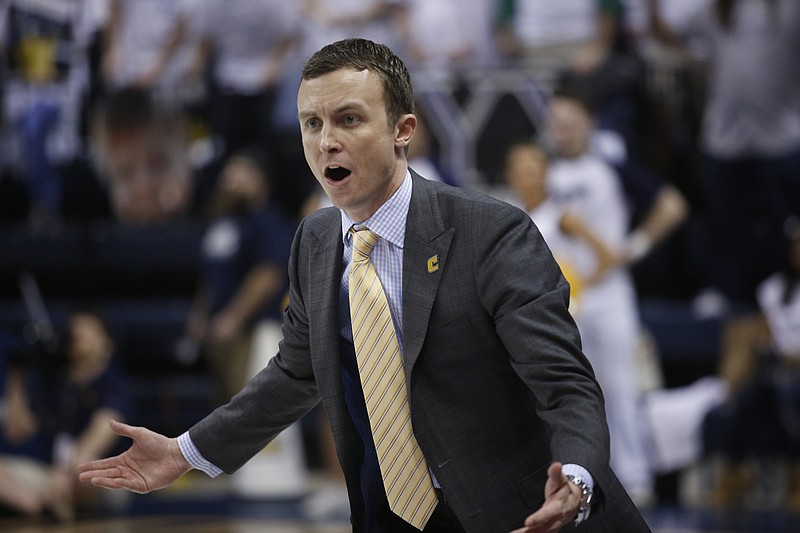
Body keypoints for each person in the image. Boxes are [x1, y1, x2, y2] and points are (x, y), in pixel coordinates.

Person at [78, 38, 651, 533]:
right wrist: (185, 452)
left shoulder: (490, 231)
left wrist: (576, 478)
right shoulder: (316, 242)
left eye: (348, 119)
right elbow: (294, 375)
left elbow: (566, 385)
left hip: (527, 514)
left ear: (403, 131)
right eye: (312, 123)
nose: (326, 141)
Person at [545, 89, 655, 505]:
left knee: (621, 385)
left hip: (609, 294)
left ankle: (636, 478)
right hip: (567, 299)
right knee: (573, 390)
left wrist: (635, 247)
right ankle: (586, 478)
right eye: (556, 122)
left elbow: (671, 204)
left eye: (570, 122)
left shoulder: (611, 167)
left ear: (589, 123)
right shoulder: (547, 176)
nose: (564, 130)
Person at [185, 146, 297, 402]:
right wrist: (200, 314)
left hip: (257, 331)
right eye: (229, 171)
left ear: (262, 182)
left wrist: (234, 317)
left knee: (259, 411)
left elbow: (268, 275)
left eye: (242, 171)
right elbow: (213, 275)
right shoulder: (220, 223)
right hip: (220, 335)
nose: (230, 178)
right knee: (227, 412)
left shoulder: (268, 221)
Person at [0, 308, 130, 521]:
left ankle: (51, 500)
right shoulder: (58, 383)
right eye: (75, 327)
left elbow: (97, 439)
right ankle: (34, 502)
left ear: (107, 343)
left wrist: (66, 471)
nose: (78, 332)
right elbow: (16, 430)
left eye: (88, 328)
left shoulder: (113, 384)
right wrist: (17, 373)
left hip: (101, 478)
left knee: (86, 468)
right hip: (52, 476)